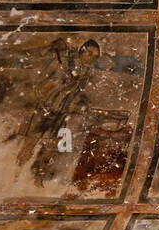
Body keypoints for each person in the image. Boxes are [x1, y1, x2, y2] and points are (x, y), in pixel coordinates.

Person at [16, 38, 102, 183]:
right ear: (82, 51)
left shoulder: (87, 71)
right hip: (44, 108)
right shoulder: (65, 62)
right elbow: (47, 83)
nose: (91, 58)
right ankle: (15, 174)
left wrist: (81, 105)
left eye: (95, 56)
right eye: (89, 54)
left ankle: (38, 179)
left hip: (61, 112)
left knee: (54, 147)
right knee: (30, 144)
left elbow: (76, 92)